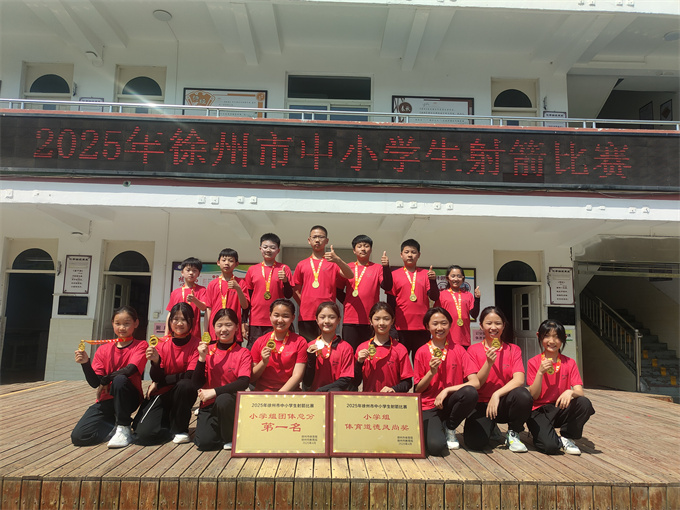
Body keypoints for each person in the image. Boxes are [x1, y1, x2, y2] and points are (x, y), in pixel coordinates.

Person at [71, 306, 147, 448]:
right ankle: (113, 424)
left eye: (127, 323)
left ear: (136, 323)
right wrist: (85, 363)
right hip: (107, 400)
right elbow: (95, 383)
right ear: (112, 324)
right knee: (79, 437)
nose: (122, 328)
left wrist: (106, 379)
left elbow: (130, 370)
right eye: (117, 323)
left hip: (129, 398)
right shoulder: (103, 349)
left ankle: (124, 427)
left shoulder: (141, 345)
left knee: (120, 379)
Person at [463, 306, 533, 452]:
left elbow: (519, 380)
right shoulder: (473, 350)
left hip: (503, 402)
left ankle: (513, 432)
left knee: (523, 394)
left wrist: (497, 394)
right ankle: (491, 426)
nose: (493, 327)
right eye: (489, 323)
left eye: (498, 323)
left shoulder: (513, 349)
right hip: (482, 404)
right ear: (481, 325)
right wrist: (488, 363)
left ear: (504, 325)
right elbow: (476, 383)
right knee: (475, 443)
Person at [414, 307, 479, 455]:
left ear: (450, 325)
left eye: (444, 323)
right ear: (427, 326)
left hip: (451, 402)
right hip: (429, 405)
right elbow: (418, 389)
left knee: (470, 392)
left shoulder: (459, 350)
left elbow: (475, 382)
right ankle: (439, 426)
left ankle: (450, 427)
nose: (439, 328)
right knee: (435, 447)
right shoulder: (421, 351)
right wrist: (431, 372)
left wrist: (447, 390)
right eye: (435, 324)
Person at [135, 302, 200, 445]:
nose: (179, 323)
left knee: (186, 385)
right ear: (170, 321)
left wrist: (160, 383)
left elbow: (189, 376)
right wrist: (156, 362)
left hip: (180, 394)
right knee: (144, 435)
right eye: (175, 319)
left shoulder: (197, 345)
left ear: (191, 322)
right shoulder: (161, 343)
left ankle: (180, 429)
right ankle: (168, 422)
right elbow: (156, 376)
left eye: (184, 319)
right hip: (162, 393)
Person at [527, 320, 595, 455]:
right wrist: (540, 372)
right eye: (547, 336)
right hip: (539, 410)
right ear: (539, 336)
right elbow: (534, 395)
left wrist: (570, 392)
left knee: (583, 403)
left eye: (557, 337)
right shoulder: (533, 362)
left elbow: (580, 391)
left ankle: (567, 437)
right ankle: (544, 435)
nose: (552, 341)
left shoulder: (570, 362)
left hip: (560, 407)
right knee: (550, 447)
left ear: (563, 339)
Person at [193, 308, 253, 451]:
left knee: (223, 399)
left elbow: (243, 382)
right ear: (213, 328)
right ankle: (223, 432)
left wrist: (214, 392)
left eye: (228, 325)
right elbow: (196, 383)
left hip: (230, 404)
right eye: (219, 325)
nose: (224, 329)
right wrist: (201, 358)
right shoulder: (206, 350)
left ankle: (229, 436)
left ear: (237, 327)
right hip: (209, 404)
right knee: (204, 443)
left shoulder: (243, 352)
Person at [292, 225, 353, 341]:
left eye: (321, 237)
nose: (317, 240)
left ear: (327, 241)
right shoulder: (301, 264)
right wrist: (304, 304)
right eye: (314, 237)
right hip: (306, 316)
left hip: (327, 316)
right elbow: (295, 290)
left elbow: (350, 275)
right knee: (308, 347)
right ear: (309, 240)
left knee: (327, 346)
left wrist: (338, 260)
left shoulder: (333, 263)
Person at [387, 239, 440, 358]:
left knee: (421, 361)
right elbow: (390, 303)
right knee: (401, 361)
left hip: (422, 328)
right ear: (401, 255)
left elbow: (434, 296)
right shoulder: (394, 275)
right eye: (406, 252)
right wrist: (392, 327)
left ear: (419, 255)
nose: (410, 255)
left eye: (413, 252)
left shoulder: (426, 274)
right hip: (401, 327)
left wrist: (433, 281)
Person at [340, 234, 393, 351]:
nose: (363, 249)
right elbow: (338, 290)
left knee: (371, 353)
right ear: (354, 250)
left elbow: (387, 286)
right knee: (350, 352)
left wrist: (386, 267)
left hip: (372, 320)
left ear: (371, 249)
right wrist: (347, 302)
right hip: (350, 319)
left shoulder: (378, 268)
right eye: (359, 246)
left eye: (366, 246)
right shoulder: (347, 267)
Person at [244, 233, 294, 348]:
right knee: (255, 350)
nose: (268, 250)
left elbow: (288, 295)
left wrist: (285, 281)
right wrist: (244, 321)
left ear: (278, 250)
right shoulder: (252, 270)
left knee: (276, 350)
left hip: (277, 320)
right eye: (265, 247)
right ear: (260, 249)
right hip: (256, 320)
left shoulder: (284, 269)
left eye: (272, 247)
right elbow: (247, 298)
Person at [354, 302, 413, 393]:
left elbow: (408, 382)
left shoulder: (400, 349)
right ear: (371, 321)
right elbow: (354, 383)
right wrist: (359, 363)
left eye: (386, 319)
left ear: (392, 321)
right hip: (368, 399)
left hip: (392, 400)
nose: (381, 323)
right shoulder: (362, 348)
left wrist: (394, 389)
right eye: (377, 319)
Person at [250, 299, 308, 391]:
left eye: (285, 316)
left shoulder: (300, 342)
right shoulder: (260, 341)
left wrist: (278, 395)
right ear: (270, 315)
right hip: (262, 394)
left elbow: (297, 375)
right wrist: (263, 362)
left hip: (289, 394)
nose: (280, 320)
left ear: (293, 318)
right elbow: (252, 377)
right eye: (276, 315)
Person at [303, 302, 355, 391]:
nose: (326, 321)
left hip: (336, 396)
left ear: (339, 320)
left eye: (332, 317)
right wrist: (311, 358)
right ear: (316, 320)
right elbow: (307, 382)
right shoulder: (309, 346)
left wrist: (321, 390)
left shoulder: (346, 348)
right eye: (322, 317)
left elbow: (345, 380)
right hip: (314, 396)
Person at [204, 248, 249, 344]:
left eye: (231, 260)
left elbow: (245, 306)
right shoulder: (212, 284)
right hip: (215, 330)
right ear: (218, 262)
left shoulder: (241, 283)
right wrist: (205, 331)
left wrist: (238, 288)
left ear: (236, 264)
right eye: (224, 260)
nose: (227, 263)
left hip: (233, 330)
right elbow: (208, 309)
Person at [435, 265, 480, 349]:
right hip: (446, 338)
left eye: (459, 276)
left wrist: (477, 299)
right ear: (447, 278)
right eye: (453, 276)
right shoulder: (441, 295)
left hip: (464, 338)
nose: (456, 279)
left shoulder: (468, 295)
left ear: (463, 278)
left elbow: (474, 315)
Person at [166, 257, 207, 338]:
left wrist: (194, 300)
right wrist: (166, 334)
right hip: (176, 331)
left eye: (194, 270)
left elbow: (204, 307)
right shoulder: (175, 292)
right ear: (182, 272)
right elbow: (170, 313)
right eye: (188, 270)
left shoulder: (202, 290)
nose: (191, 273)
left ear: (198, 274)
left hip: (194, 333)